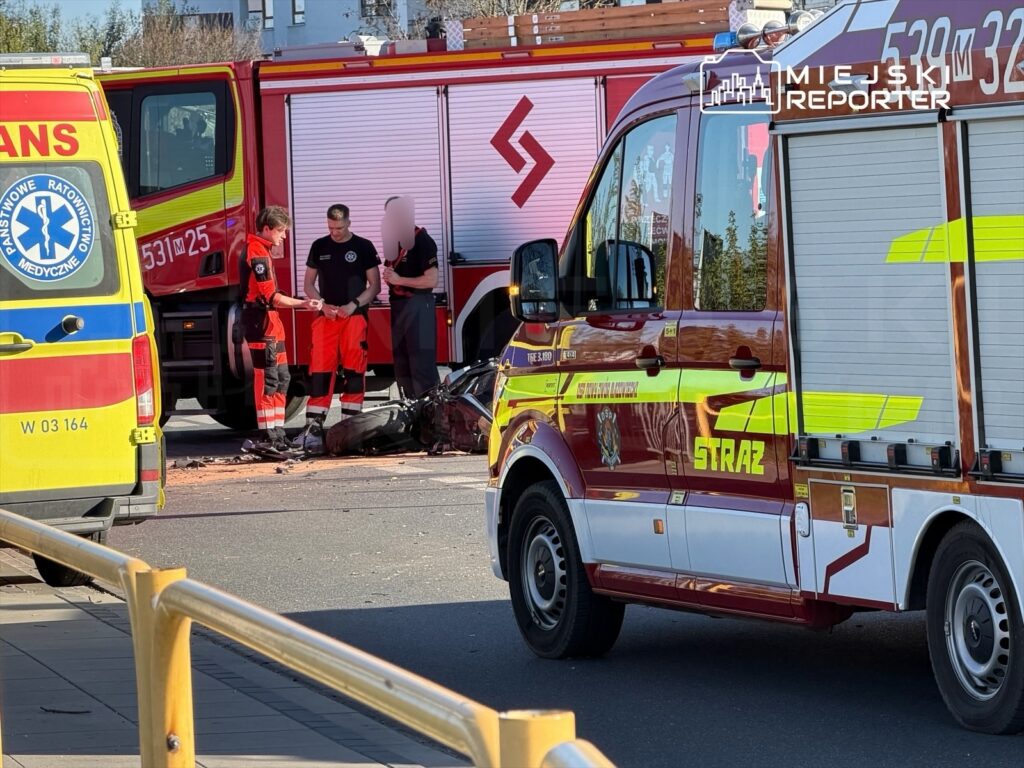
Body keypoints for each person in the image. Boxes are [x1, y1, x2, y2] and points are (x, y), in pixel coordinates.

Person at [293, 204, 381, 454]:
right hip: (326, 318)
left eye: (339, 228)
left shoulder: (363, 246)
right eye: (331, 228)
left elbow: (374, 286)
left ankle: (350, 430)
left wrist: (353, 305)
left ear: (349, 223)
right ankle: (312, 430)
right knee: (319, 370)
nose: (335, 233)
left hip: (354, 318)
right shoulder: (319, 246)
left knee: (355, 370)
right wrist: (322, 304)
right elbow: (308, 284)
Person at [240, 206, 321, 454]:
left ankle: (277, 433)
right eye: (281, 231)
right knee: (268, 380)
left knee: (282, 378)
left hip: (270, 323)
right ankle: (268, 434)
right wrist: (304, 303)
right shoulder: (257, 252)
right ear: (267, 229)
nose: (283, 236)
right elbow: (271, 297)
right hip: (262, 321)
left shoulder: (262, 250)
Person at [381, 195, 440, 399]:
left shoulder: (421, 239)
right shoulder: (393, 241)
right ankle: (411, 417)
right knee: (402, 365)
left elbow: (432, 280)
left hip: (419, 307)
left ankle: (433, 421)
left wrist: (400, 279)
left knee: (421, 367)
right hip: (399, 307)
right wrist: (390, 278)